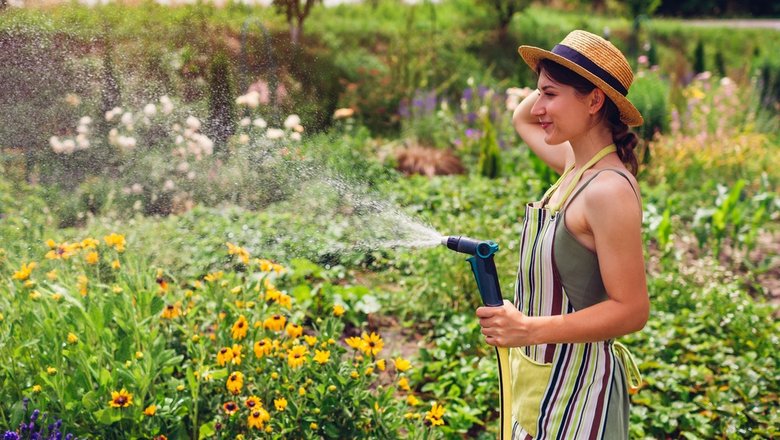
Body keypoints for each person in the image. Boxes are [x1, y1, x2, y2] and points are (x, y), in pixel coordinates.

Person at [476, 30, 649, 439]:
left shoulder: (608, 191)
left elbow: (632, 310)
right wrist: (555, 69)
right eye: (538, 93)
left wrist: (528, 329)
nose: (537, 107)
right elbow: (522, 118)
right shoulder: (575, 166)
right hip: (546, 385)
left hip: (581, 397)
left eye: (550, 95)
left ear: (594, 101)